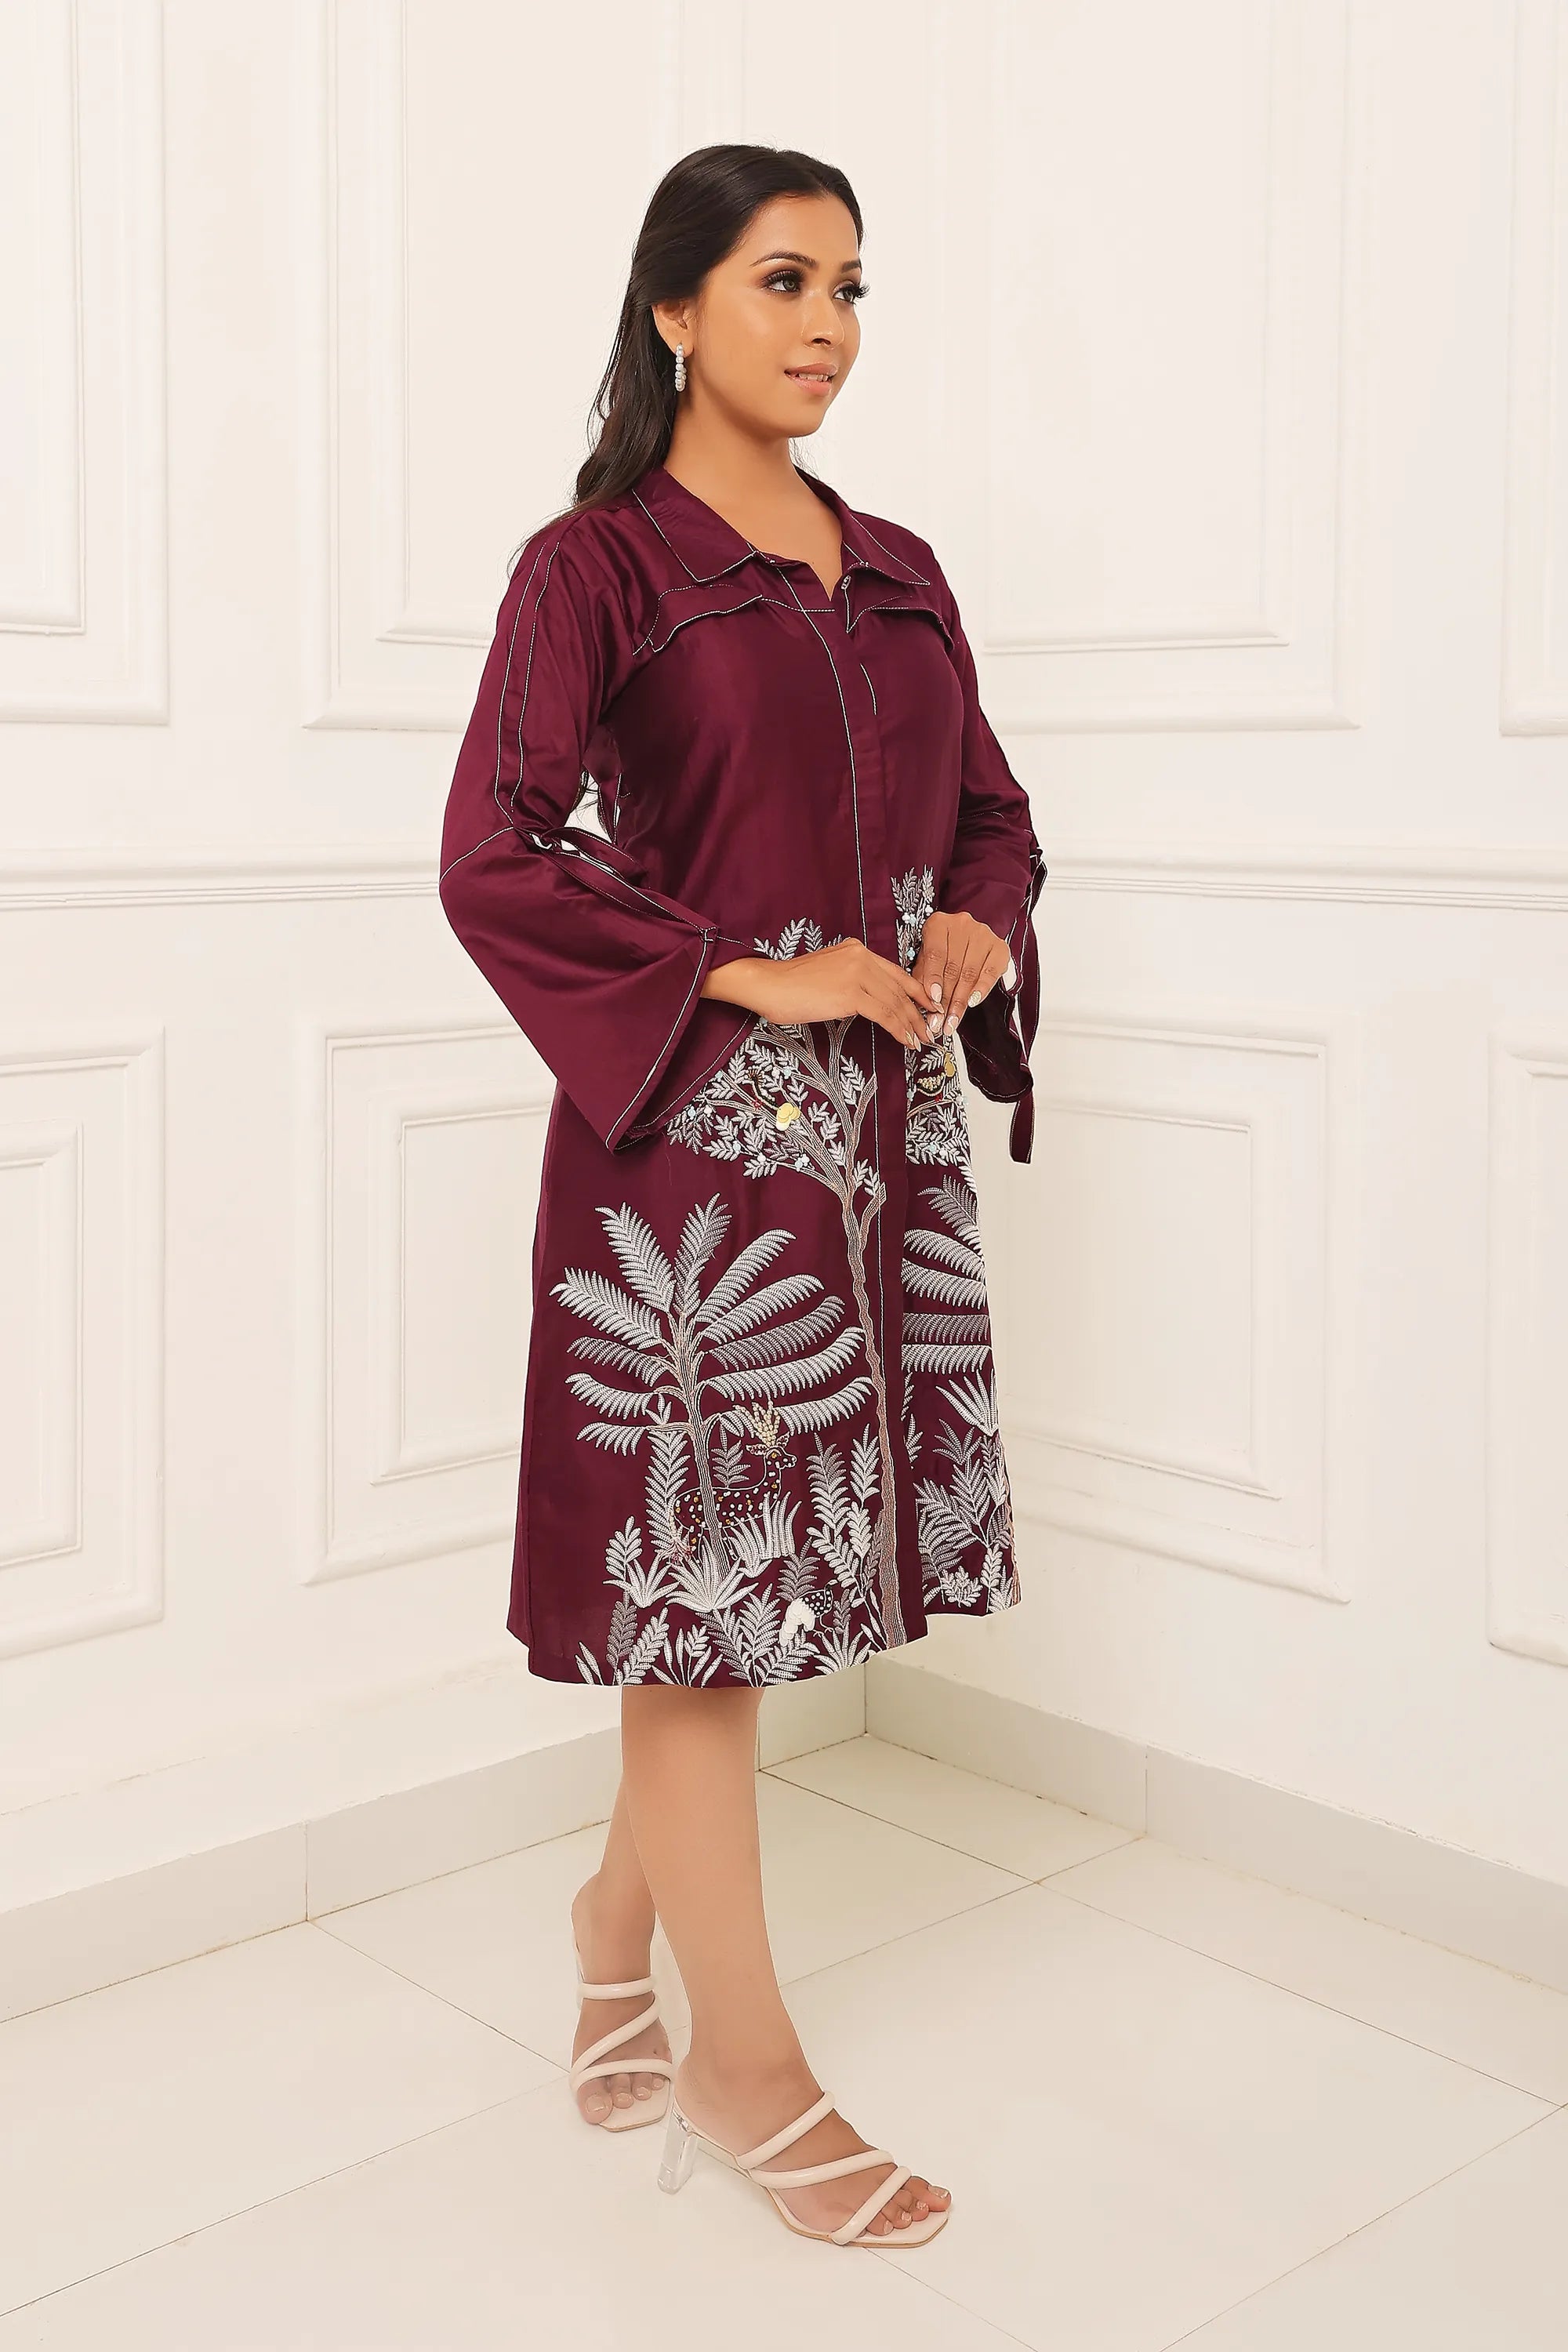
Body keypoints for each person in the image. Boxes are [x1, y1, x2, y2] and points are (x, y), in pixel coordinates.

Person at [438, 143, 1045, 2251]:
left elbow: (994, 813)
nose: (828, 325)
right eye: (784, 280)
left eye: (853, 287)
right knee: (701, 1611)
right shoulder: (594, 568)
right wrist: (746, 967)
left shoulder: (901, 569)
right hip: (690, 1178)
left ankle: (614, 1927)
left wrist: (971, 924)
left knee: (750, 1609)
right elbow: (495, 850)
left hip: (884, 1161)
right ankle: (748, 2068)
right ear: (677, 309)